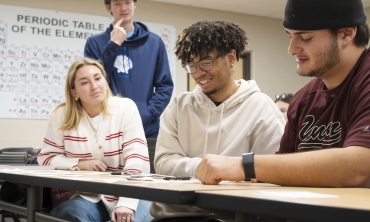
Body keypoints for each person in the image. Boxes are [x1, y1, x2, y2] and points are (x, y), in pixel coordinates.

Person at [196, 0, 370, 189]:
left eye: (305, 38)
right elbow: (282, 170)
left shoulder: (364, 81)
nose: (291, 49)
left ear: (347, 33)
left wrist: (243, 165)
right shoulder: (304, 99)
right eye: (290, 36)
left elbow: (359, 168)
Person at [150, 20, 286, 221]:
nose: (198, 73)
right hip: (174, 214)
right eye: (191, 66)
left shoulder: (261, 108)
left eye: (205, 62)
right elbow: (163, 161)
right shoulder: (180, 106)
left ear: (231, 57)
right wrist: (205, 168)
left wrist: (229, 171)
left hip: (229, 215)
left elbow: (273, 170)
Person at [37, 58, 153, 222]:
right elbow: (46, 158)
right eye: (84, 82)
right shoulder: (62, 115)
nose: (94, 86)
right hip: (91, 198)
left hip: (134, 194)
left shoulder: (126, 108)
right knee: (65, 215)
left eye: (98, 78)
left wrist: (126, 203)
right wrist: (79, 163)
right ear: (74, 92)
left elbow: (137, 160)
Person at [84, 0, 174, 138]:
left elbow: (165, 85)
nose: (124, 8)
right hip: (107, 126)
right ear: (109, 7)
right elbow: (94, 81)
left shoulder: (154, 42)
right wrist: (113, 45)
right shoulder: (94, 43)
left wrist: (148, 114)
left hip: (146, 127)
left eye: (127, 2)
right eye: (117, 3)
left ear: (135, 4)